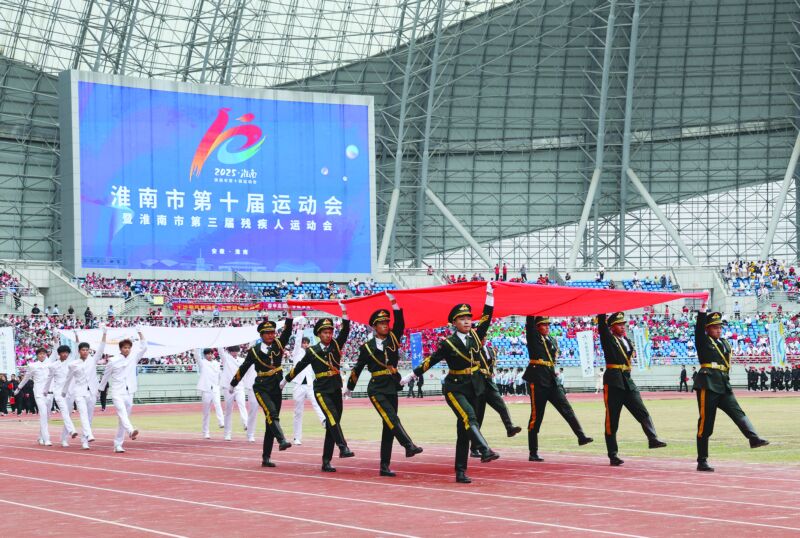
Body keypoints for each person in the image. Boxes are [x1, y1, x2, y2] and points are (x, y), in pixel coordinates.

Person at [402, 282, 499, 484]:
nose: (467, 321)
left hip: (473, 387)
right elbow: (430, 361)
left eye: (468, 318)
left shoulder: (475, 336)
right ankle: (484, 449)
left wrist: (489, 295)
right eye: (462, 319)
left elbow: (487, 318)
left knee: (464, 430)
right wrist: (411, 375)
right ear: (454, 322)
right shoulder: (448, 343)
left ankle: (460, 471)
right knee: (469, 416)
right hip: (455, 388)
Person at [346, 295, 423, 476]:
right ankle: (408, 445)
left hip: (391, 387)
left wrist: (395, 304)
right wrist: (349, 387)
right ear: (374, 326)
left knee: (389, 426)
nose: (385, 325)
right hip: (376, 389)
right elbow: (358, 368)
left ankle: (384, 466)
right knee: (392, 418)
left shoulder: (393, 339)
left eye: (387, 322)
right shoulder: (367, 347)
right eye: (381, 323)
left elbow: (400, 324)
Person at [694, 306, 769, 472]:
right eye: (714, 327)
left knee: (737, 412)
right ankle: (702, 460)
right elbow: (698, 329)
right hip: (708, 384)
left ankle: (753, 438)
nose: (718, 330)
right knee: (706, 423)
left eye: (720, 327)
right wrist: (702, 311)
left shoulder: (724, 343)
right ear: (707, 329)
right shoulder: (703, 341)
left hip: (723, 384)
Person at [283, 304, 354, 472]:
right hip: (321, 390)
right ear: (319, 334)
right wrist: (285, 380)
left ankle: (326, 461)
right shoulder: (312, 351)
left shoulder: (336, 345)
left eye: (330, 332)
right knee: (331, 418)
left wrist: (345, 313)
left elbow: (345, 331)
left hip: (335, 387)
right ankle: (343, 447)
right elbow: (299, 366)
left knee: (332, 424)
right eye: (325, 332)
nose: (328, 335)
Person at [597, 312, 666, 466]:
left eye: (624, 324)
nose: (623, 327)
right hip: (614, 382)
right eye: (619, 325)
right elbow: (602, 327)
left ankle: (652, 438)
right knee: (612, 419)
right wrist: (602, 310)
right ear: (611, 327)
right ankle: (613, 454)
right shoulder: (609, 339)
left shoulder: (626, 340)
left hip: (627, 381)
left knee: (642, 411)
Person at [523, 316, 592, 461]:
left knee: (567, 408)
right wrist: (532, 312)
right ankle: (533, 452)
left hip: (552, 380)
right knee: (536, 416)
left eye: (548, 324)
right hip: (538, 380)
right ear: (537, 327)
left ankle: (581, 436)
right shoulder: (533, 338)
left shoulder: (552, 340)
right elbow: (529, 324)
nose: (547, 327)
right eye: (543, 325)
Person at [231, 313, 295, 467]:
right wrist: (234, 383)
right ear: (261, 335)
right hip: (261, 386)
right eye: (267, 333)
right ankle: (282, 440)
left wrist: (289, 316)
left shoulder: (279, 344)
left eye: (273, 332)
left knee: (270, 422)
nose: (271, 335)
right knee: (272, 414)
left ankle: (266, 458)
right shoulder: (254, 351)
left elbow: (287, 331)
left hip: (276, 386)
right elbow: (244, 367)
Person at [469, 339, 522, 458]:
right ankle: (474, 448)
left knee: (502, 406)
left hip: (489, 384)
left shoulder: (490, 350)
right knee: (478, 418)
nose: (483, 339)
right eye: (481, 337)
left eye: (484, 337)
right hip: (478, 385)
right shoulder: (472, 351)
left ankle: (509, 428)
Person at [98, 327, 147, 453]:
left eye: (129, 347)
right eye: (125, 347)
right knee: (122, 413)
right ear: (120, 349)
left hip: (129, 392)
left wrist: (140, 332)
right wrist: (99, 391)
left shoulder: (134, 357)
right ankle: (130, 431)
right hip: (117, 392)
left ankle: (118, 444)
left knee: (122, 419)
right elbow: (105, 377)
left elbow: (144, 347)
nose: (127, 349)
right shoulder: (113, 361)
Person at [61, 327, 106, 449]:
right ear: (79, 351)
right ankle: (89, 434)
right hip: (79, 392)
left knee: (90, 417)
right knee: (83, 414)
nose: (85, 352)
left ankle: (84, 440)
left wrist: (104, 334)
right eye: (83, 350)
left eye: (87, 350)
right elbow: (68, 379)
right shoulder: (73, 364)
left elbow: (101, 349)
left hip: (92, 392)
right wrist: (64, 392)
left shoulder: (93, 360)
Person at [290, 336, 326, 445]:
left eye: (307, 343)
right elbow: (297, 342)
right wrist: (300, 328)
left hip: (310, 384)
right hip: (299, 385)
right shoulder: (297, 352)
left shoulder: (311, 353)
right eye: (303, 343)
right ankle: (297, 437)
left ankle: (324, 421)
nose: (305, 344)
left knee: (317, 402)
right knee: (298, 412)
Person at [14, 347, 54, 445]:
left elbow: (56, 352)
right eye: (40, 354)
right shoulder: (32, 366)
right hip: (39, 393)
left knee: (47, 417)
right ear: (37, 355)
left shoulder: (50, 364)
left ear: (46, 355)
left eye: (44, 353)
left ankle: (40, 436)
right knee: (43, 414)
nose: (42, 355)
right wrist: (18, 388)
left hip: (50, 393)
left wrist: (56, 341)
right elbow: (26, 378)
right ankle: (47, 439)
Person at [43, 344, 80, 447]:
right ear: (59, 354)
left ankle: (64, 439)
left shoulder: (72, 364)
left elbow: (78, 353)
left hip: (70, 392)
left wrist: (77, 339)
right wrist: (45, 390)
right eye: (63, 353)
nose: (65, 354)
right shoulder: (53, 366)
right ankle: (72, 430)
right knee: (64, 411)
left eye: (67, 353)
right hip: (59, 392)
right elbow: (49, 379)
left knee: (68, 414)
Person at [191, 348, 225, 439]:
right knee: (206, 412)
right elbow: (197, 356)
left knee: (218, 404)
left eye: (211, 354)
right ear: (205, 355)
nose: (210, 355)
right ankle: (206, 432)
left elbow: (220, 374)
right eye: (208, 354)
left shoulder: (216, 363)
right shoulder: (202, 363)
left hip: (215, 388)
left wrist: (221, 385)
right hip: (206, 389)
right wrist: (197, 347)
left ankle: (221, 422)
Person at [218, 346, 248, 440]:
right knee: (228, 411)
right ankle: (227, 434)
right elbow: (220, 349)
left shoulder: (242, 360)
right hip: (228, 387)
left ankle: (246, 423)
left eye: (236, 351)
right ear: (229, 351)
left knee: (242, 405)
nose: (235, 353)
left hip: (239, 386)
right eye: (233, 351)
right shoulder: (226, 358)